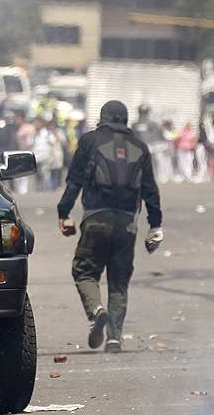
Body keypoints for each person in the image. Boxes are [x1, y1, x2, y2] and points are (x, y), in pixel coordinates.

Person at [56, 100, 163, 354]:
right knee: (119, 281)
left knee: (84, 272)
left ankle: (96, 311)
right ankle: (115, 337)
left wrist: (64, 212)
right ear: (125, 120)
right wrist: (155, 225)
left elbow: (74, 181)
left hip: (95, 219)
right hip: (127, 223)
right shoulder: (140, 146)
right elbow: (151, 191)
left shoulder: (90, 141)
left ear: (102, 118)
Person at [132, 104, 171, 184]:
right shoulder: (135, 124)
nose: (143, 114)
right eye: (142, 112)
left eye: (144, 112)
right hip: (140, 147)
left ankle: (158, 176)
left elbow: (159, 135)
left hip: (152, 147)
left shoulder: (152, 124)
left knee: (154, 162)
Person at [13, 113, 37, 195]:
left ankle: (23, 189)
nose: (16, 120)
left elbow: (30, 141)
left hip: (26, 152)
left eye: (18, 118)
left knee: (24, 171)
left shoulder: (28, 128)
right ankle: (19, 189)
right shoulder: (18, 128)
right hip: (18, 151)